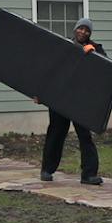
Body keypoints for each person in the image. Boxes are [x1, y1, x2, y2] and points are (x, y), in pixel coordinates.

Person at [40, 18, 105, 186]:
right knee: (56, 133)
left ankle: (89, 174)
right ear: (75, 29)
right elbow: (50, 70)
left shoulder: (95, 49)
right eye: (81, 29)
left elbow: (105, 68)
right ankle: (47, 170)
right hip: (60, 98)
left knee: (85, 136)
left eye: (87, 30)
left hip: (79, 100)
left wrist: (94, 54)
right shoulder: (64, 46)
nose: (83, 32)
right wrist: (40, 94)